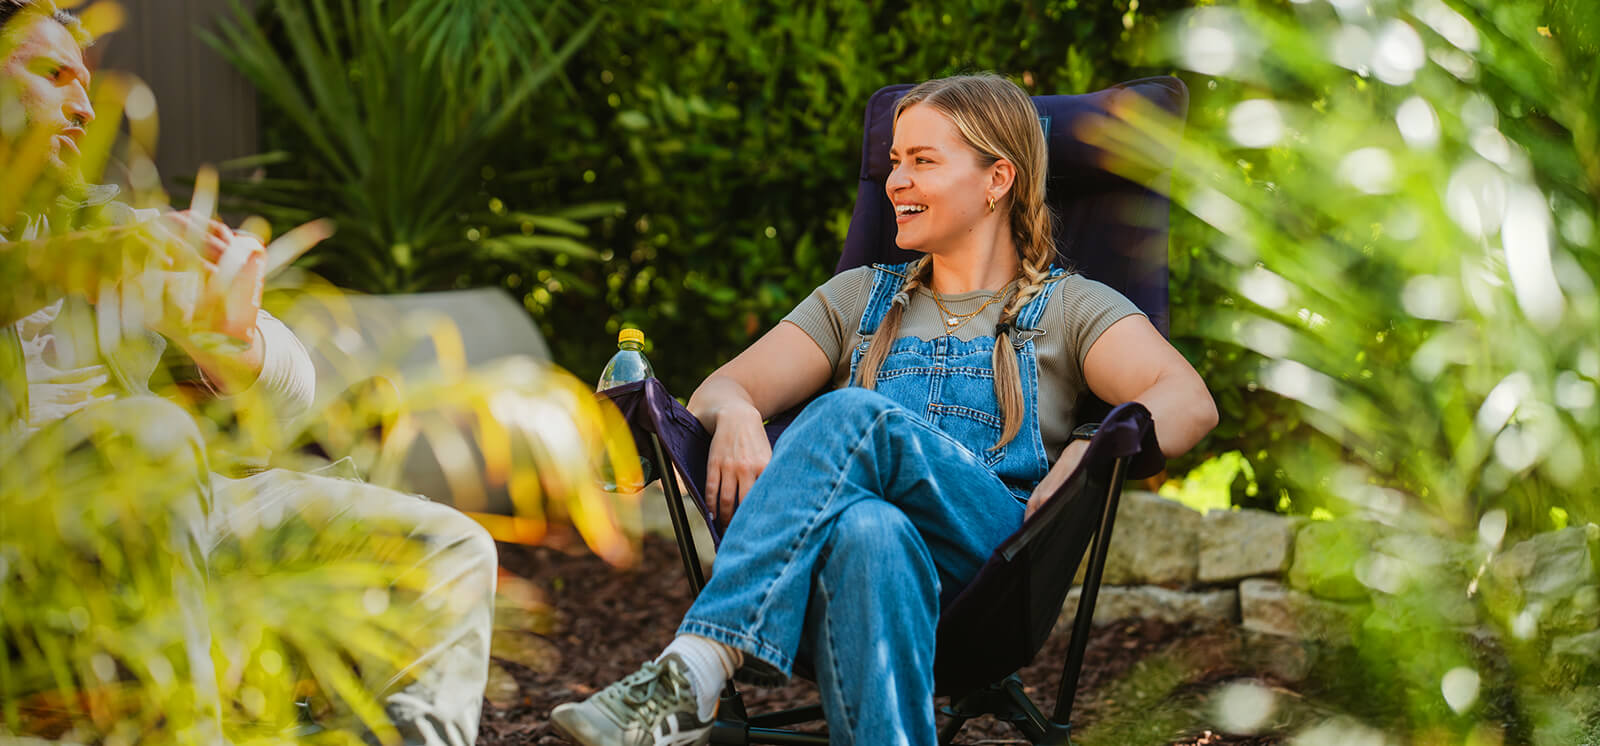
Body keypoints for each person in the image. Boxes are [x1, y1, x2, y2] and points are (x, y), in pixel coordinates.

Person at [552, 73, 1218, 745]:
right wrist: (741, 416)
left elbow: (1188, 401)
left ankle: (696, 665)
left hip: (990, 568)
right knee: (869, 531)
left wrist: (1087, 444)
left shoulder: (1069, 307)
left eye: (923, 161)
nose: (897, 180)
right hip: (848, 573)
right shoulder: (859, 299)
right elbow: (721, 390)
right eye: (894, 161)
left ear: (997, 180)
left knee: (851, 415)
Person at [0, 3, 497, 743]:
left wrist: (235, 345)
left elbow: (294, 393)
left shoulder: (106, 219)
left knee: (452, 551)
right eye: (49, 74)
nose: (80, 102)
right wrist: (67, 266)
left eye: (84, 79)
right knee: (148, 435)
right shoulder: (94, 245)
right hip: (31, 528)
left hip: (171, 507)